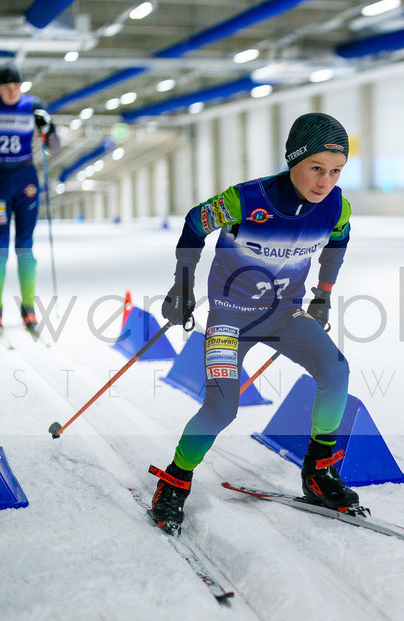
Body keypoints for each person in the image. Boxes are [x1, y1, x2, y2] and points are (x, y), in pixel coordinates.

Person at [151, 113, 358, 536]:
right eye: (316, 168)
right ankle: (175, 480)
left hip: (285, 314)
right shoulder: (246, 200)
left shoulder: (337, 206)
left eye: (336, 171)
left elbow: (338, 242)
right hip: (231, 318)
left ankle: (318, 471)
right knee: (222, 407)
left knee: (336, 371)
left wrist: (322, 296)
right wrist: (183, 287)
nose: (325, 182)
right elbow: (195, 222)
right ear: (292, 161)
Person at [0, 61, 60, 337]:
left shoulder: (33, 105)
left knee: (25, 247)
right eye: (6, 87)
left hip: (26, 181)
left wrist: (48, 127)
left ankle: (28, 307)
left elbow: (54, 148)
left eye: (16, 86)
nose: (12, 92)